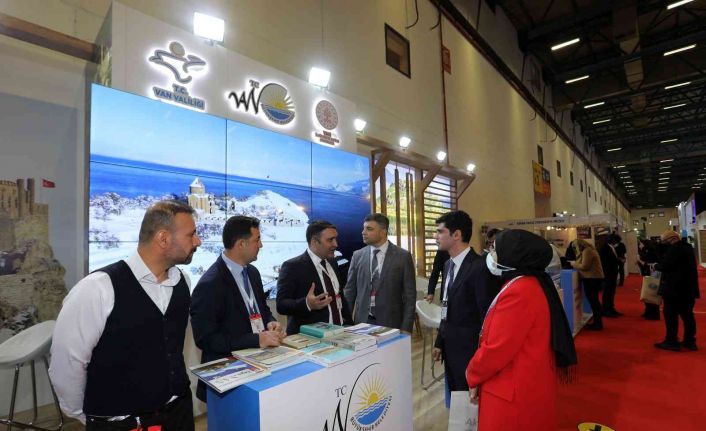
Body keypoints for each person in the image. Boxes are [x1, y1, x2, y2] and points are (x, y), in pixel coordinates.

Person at [49, 200, 202, 430]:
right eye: (191, 235)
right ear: (163, 238)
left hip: (177, 415)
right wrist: (88, 415)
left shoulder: (182, 282)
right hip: (123, 423)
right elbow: (68, 363)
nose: (197, 241)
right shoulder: (97, 288)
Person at [466, 229, 577, 431]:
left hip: (511, 391)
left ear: (513, 254)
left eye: (496, 249)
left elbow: (497, 349)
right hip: (525, 383)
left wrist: (472, 373)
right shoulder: (529, 283)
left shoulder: (519, 291)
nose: (491, 253)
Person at [190, 215, 284, 401]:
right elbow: (206, 339)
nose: (261, 245)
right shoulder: (210, 283)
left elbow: (262, 309)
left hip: (259, 366)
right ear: (241, 244)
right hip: (228, 379)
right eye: (257, 240)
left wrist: (271, 322)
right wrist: (256, 339)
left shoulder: (253, 273)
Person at [430, 210, 485, 397]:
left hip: (471, 354)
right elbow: (447, 307)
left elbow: (486, 319)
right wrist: (440, 341)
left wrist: (481, 362)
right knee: (458, 403)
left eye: (440, 231)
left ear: (456, 235)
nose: (435, 236)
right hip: (451, 350)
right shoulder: (448, 265)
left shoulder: (479, 267)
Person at [276, 220, 353, 334]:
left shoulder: (333, 262)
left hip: (340, 332)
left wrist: (350, 327)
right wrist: (307, 304)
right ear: (314, 241)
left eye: (335, 239)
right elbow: (281, 305)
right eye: (330, 240)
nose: (335, 244)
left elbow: (339, 297)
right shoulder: (293, 266)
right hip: (311, 337)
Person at [344, 213, 416, 332]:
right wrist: (345, 322)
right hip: (362, 322)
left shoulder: (403, 256)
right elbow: (350, 291)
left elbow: (410, 296)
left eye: (369, 229)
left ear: (383, 232)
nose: (363, 232)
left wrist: (406, 327)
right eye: (364, 228)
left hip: (391, 323)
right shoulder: (357, 255)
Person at [653, 230, 700, 351]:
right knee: (688, 316)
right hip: (688, 289)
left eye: (664, 241)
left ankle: (671, 341)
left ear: (671, 239)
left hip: (674, 289)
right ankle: (690, 341)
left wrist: (656, 266)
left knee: (671, 316)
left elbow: (665, 266)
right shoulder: (688, 248)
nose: (663, 243)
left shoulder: (674, 250)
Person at [570, 239, 605, 330]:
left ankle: (598, 324)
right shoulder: (589, 250)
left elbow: (585, 266)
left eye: (575, 247)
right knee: (594, 301)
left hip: (591, 279)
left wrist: (573, 264)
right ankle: (597, 322)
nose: (575, 249)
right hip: (593, 278)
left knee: (594, 301)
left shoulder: (587, 251)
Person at [599, 234, 623, 317]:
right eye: (617, 241)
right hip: (608, 275)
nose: (618, 243)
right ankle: (606, 310)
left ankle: (611, 308)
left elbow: (612, 259)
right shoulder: (604, 248)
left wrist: (618, 260)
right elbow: (605, 263)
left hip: (612, 274)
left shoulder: (611, 248)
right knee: (607, 293)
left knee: (611, 292)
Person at [637, 239, 660, 320]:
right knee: (648, 293)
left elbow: (648, 263)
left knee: (651, 293)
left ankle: (653, 313)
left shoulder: (650, 252)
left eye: (641, 243)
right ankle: (648, 311)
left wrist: (640, 260)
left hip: (653, 273)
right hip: (651, 273)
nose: (640, 245)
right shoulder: (648, 251)